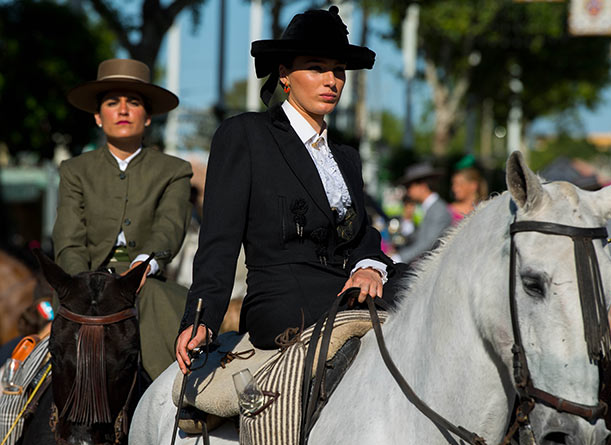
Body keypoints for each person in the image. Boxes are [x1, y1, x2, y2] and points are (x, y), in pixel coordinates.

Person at [176, 6, 404, 373]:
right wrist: (200, 319)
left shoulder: (346, 156)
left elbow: (361, 235)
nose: (331, 80)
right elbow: (218, 241)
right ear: (284, 75)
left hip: (350, 288)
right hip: (284, 300)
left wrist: (369, 268)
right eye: (316, 67)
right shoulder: (245, 135)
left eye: (339, 71)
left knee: (428, 288)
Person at [52, 58, 193, 379]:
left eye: (134, 102)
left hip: (146, 285)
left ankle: (177, 401)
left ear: (147, 117)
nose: (124, 110)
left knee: (173, 321)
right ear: (99, 118)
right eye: (113, 103)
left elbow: (169, 228)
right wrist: (81, 284)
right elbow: (68, 237)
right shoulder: (75, 170)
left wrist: (143, 266)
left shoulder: (174, 170)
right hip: (83, 283)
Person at [392, 162, 451, 264]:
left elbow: (428, 243)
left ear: (423, 186)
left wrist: (397, 258)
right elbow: (419, 238)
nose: (408, 191)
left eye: (410, 186)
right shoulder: (428, 208)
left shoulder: (439, 210)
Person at [449, 156, 488, 224]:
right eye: (453, 184)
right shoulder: (448, 211)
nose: (454, 188)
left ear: (473, 185)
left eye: (459, 184)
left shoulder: (484, 210)